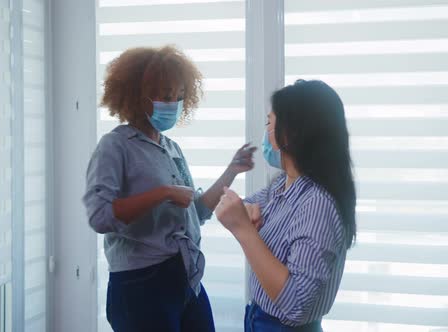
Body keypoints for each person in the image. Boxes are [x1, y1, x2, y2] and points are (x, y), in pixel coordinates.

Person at [83, 45, 256, 332]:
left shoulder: (170, 148)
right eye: (165, 96)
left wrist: (232, 170)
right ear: (138, 96)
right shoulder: (115, 146)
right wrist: (162, 193)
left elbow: (196, 211)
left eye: (178, 96)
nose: (172, 103)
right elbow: (100, 217)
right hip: (141, 283)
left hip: (184, 276)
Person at [215, 79, 357, 331]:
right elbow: (244, 207)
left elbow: (296, 305)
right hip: (259, 318)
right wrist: (244, 214)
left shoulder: (317, 205)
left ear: (290, 134)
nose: (265, 132)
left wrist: (245, 231)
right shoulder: (285, 184)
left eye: (269, 123)